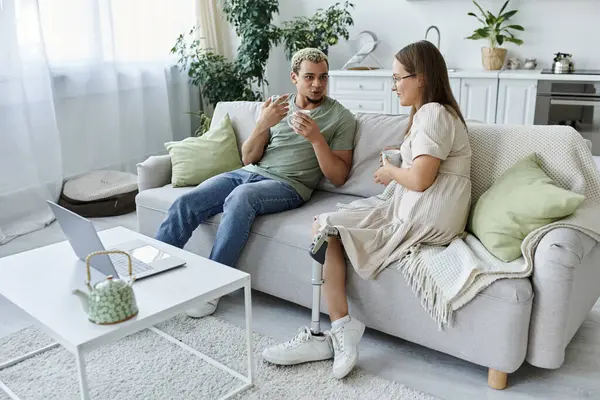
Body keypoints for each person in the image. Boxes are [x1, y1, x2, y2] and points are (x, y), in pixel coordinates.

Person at [262, 40, 472, 380]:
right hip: (420, 208)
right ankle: (330, 332)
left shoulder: (433, 113)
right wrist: (400, 158)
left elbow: (419, 180)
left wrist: (391, 172)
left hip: (424, 216)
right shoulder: (431, 114)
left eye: (398, 78)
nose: (394, 87)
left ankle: (334, 332)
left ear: (421, 77)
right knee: (323, 223)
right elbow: (427, 168)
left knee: (326, 227)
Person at [155, 48, 357, 318]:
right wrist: (262, 124)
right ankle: (154, 273)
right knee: (187, 201)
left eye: (323, 77)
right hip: (249, 172)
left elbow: (339, 176)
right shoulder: (276, 105)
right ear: (294, 77)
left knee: (242, 197)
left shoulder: (341, 117)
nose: (317, 84)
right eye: (309, 77)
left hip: (289, 185)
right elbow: (248, 157)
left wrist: (317, 139)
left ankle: (213, 287)